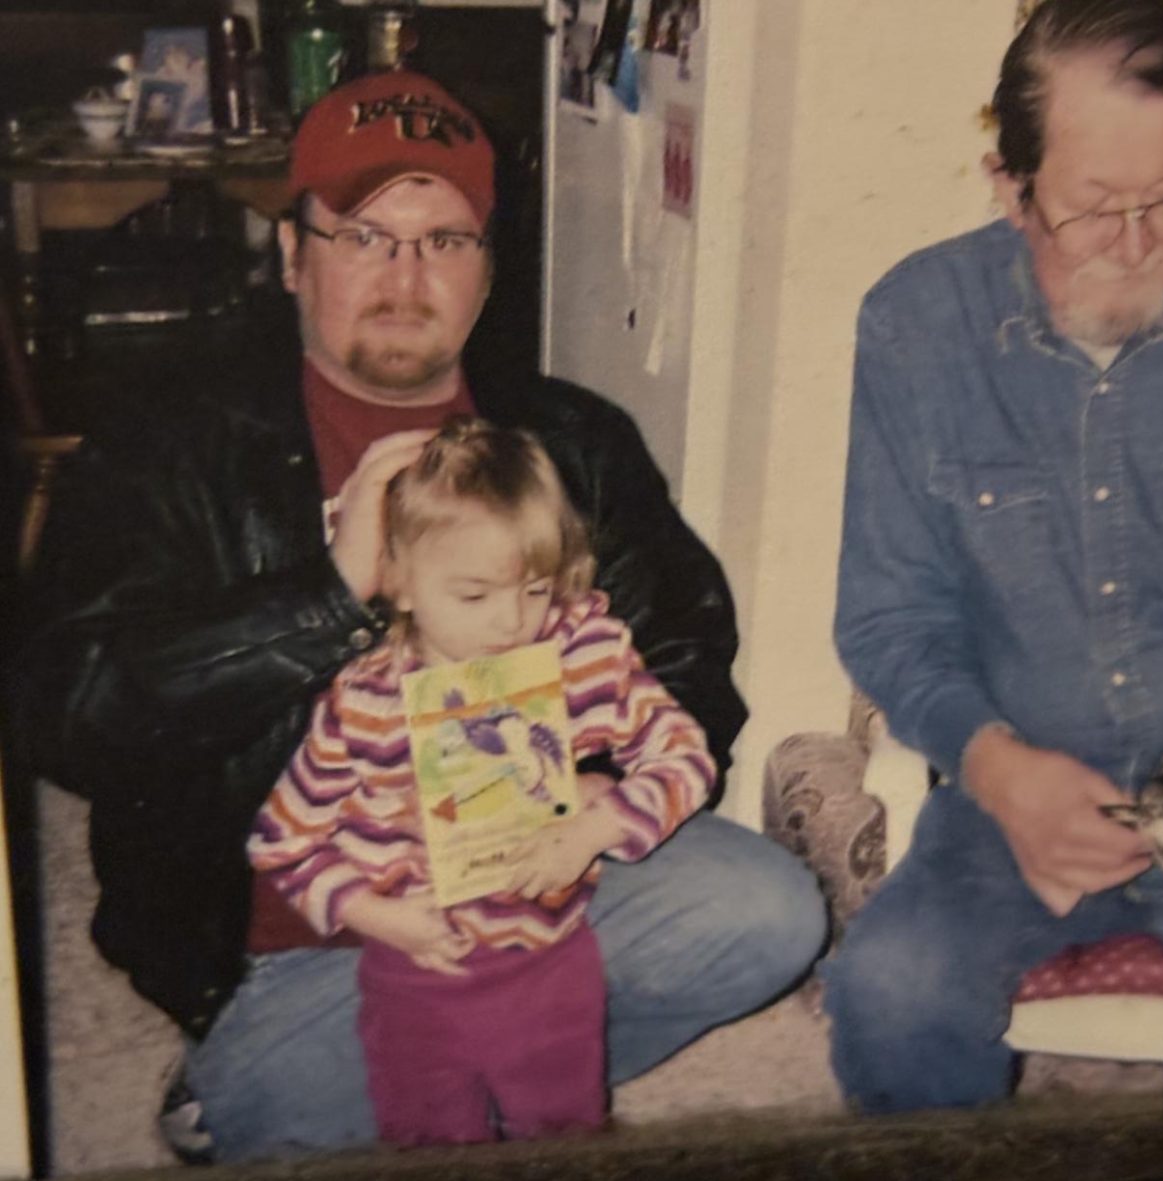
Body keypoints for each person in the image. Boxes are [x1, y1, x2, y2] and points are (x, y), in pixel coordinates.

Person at [10, 69, 825, 1160]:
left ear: (488, 268)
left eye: (444, 239)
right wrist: (331, 594)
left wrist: (601, 780)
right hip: (294, 936)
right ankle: (319, 1070)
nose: (405, 274)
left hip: (538, 900)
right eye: (363, 235)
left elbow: (682, 653)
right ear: (294, 255)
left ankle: (487, 1061)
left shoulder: (570, 441)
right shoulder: (166, 441)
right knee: (277, 1103)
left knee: (770, 912)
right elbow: (65, 712)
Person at [825, 0, 1163, 1113]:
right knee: (888, 991)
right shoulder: (915, 322)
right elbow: (890, 616)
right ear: (1008, 183)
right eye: (1094, 209)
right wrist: (999, 771)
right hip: (1011, 793)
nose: (1140, 244)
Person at [250, 417, 717, 1145]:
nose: (511, 622)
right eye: (474, 596)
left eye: (535, 588)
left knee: (567, 1134)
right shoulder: (365, 704)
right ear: (396, 580)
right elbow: (282, 843)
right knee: (427, 1141)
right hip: (414, 981)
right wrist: (376, 915)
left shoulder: (581, 650)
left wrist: (599, 824)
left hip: (553, 963)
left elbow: (686, 755)